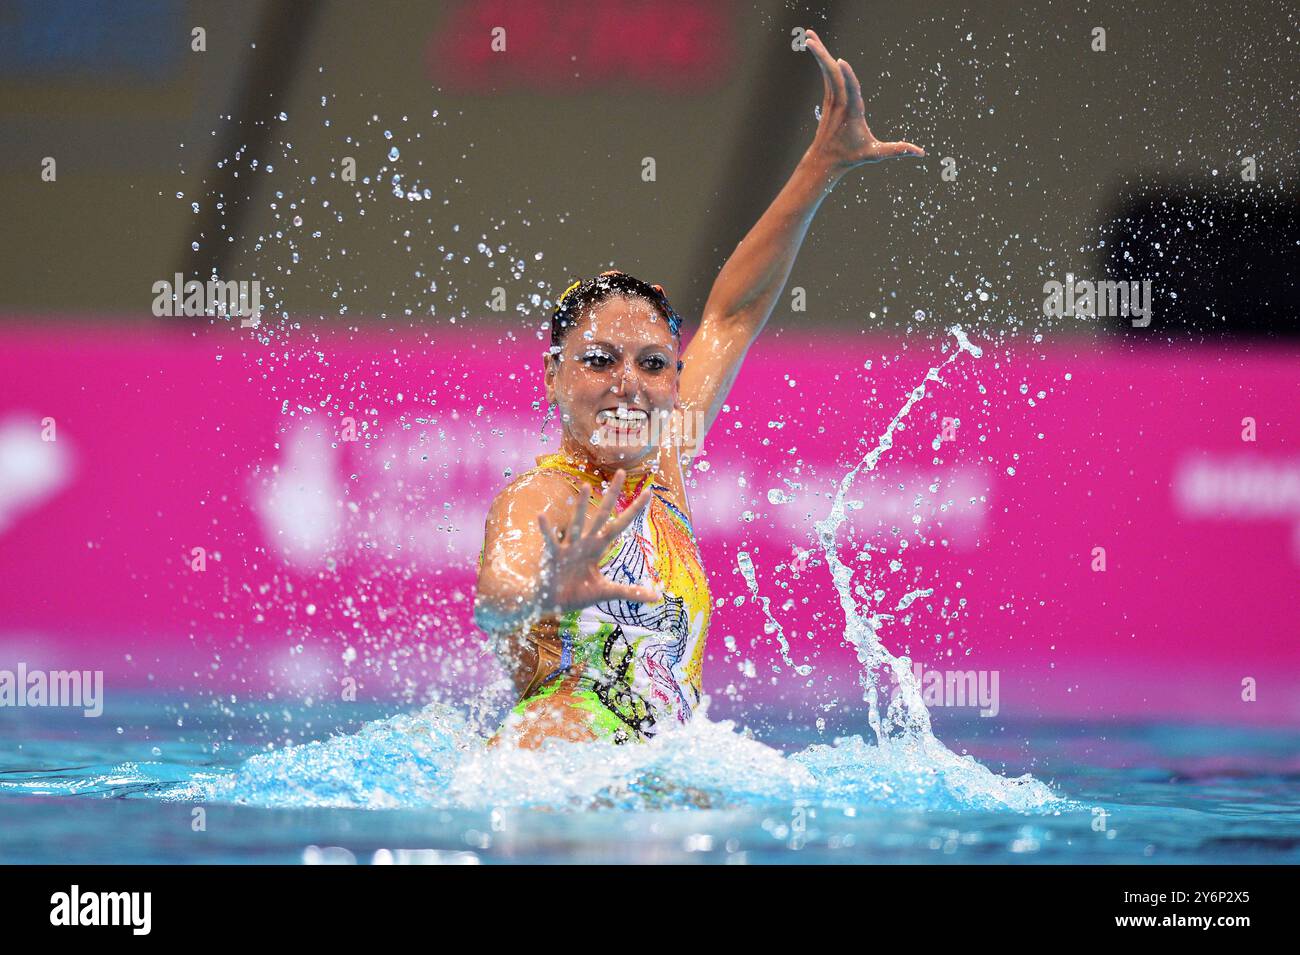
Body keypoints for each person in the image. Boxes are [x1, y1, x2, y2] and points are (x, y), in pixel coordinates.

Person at [473, 30, 923, 748]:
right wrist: (546, 587)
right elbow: (496, 599)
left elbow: (733, 313)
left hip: (648, 783)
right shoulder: (543, 497)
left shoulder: (667, 462)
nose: (629, 383)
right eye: (599, 360)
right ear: (554, 375)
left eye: (654, 364)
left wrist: (820, 167)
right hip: (552, 776)